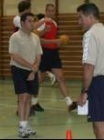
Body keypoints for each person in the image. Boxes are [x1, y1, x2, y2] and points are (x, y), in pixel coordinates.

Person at [37, 3, 77, 112]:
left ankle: (69, 103)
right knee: (39, 80)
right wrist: (52, 38)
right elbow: (36, 39)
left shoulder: (54, 23)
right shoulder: (41, 23)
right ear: (45, 11)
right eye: (49, 10)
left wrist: (61, 42)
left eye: (52, 11)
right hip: (43, 53)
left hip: (54, 53)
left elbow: (54, 41)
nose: (50, 12)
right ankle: (33, 103)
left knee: (61, 77)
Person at [9, 12, 43, 138]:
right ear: (22, 23)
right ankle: (22, 127)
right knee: (23, 97)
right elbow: (15, 56)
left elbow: (39, 56)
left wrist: (34, 71)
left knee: (29, 98)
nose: (32, 23)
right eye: (29, 21)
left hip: (32, 70)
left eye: (33, 20)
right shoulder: (15, 37)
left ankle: (26, 124)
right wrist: (31, 67)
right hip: (18, 69)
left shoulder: (36, 37)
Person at [77, 3, 104, 139]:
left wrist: (84, 91)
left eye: (80, 18)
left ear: (90, 16)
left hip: (99, 84)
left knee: (99, 125)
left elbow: (89, 67)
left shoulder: (90, 34)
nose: (79, 22)